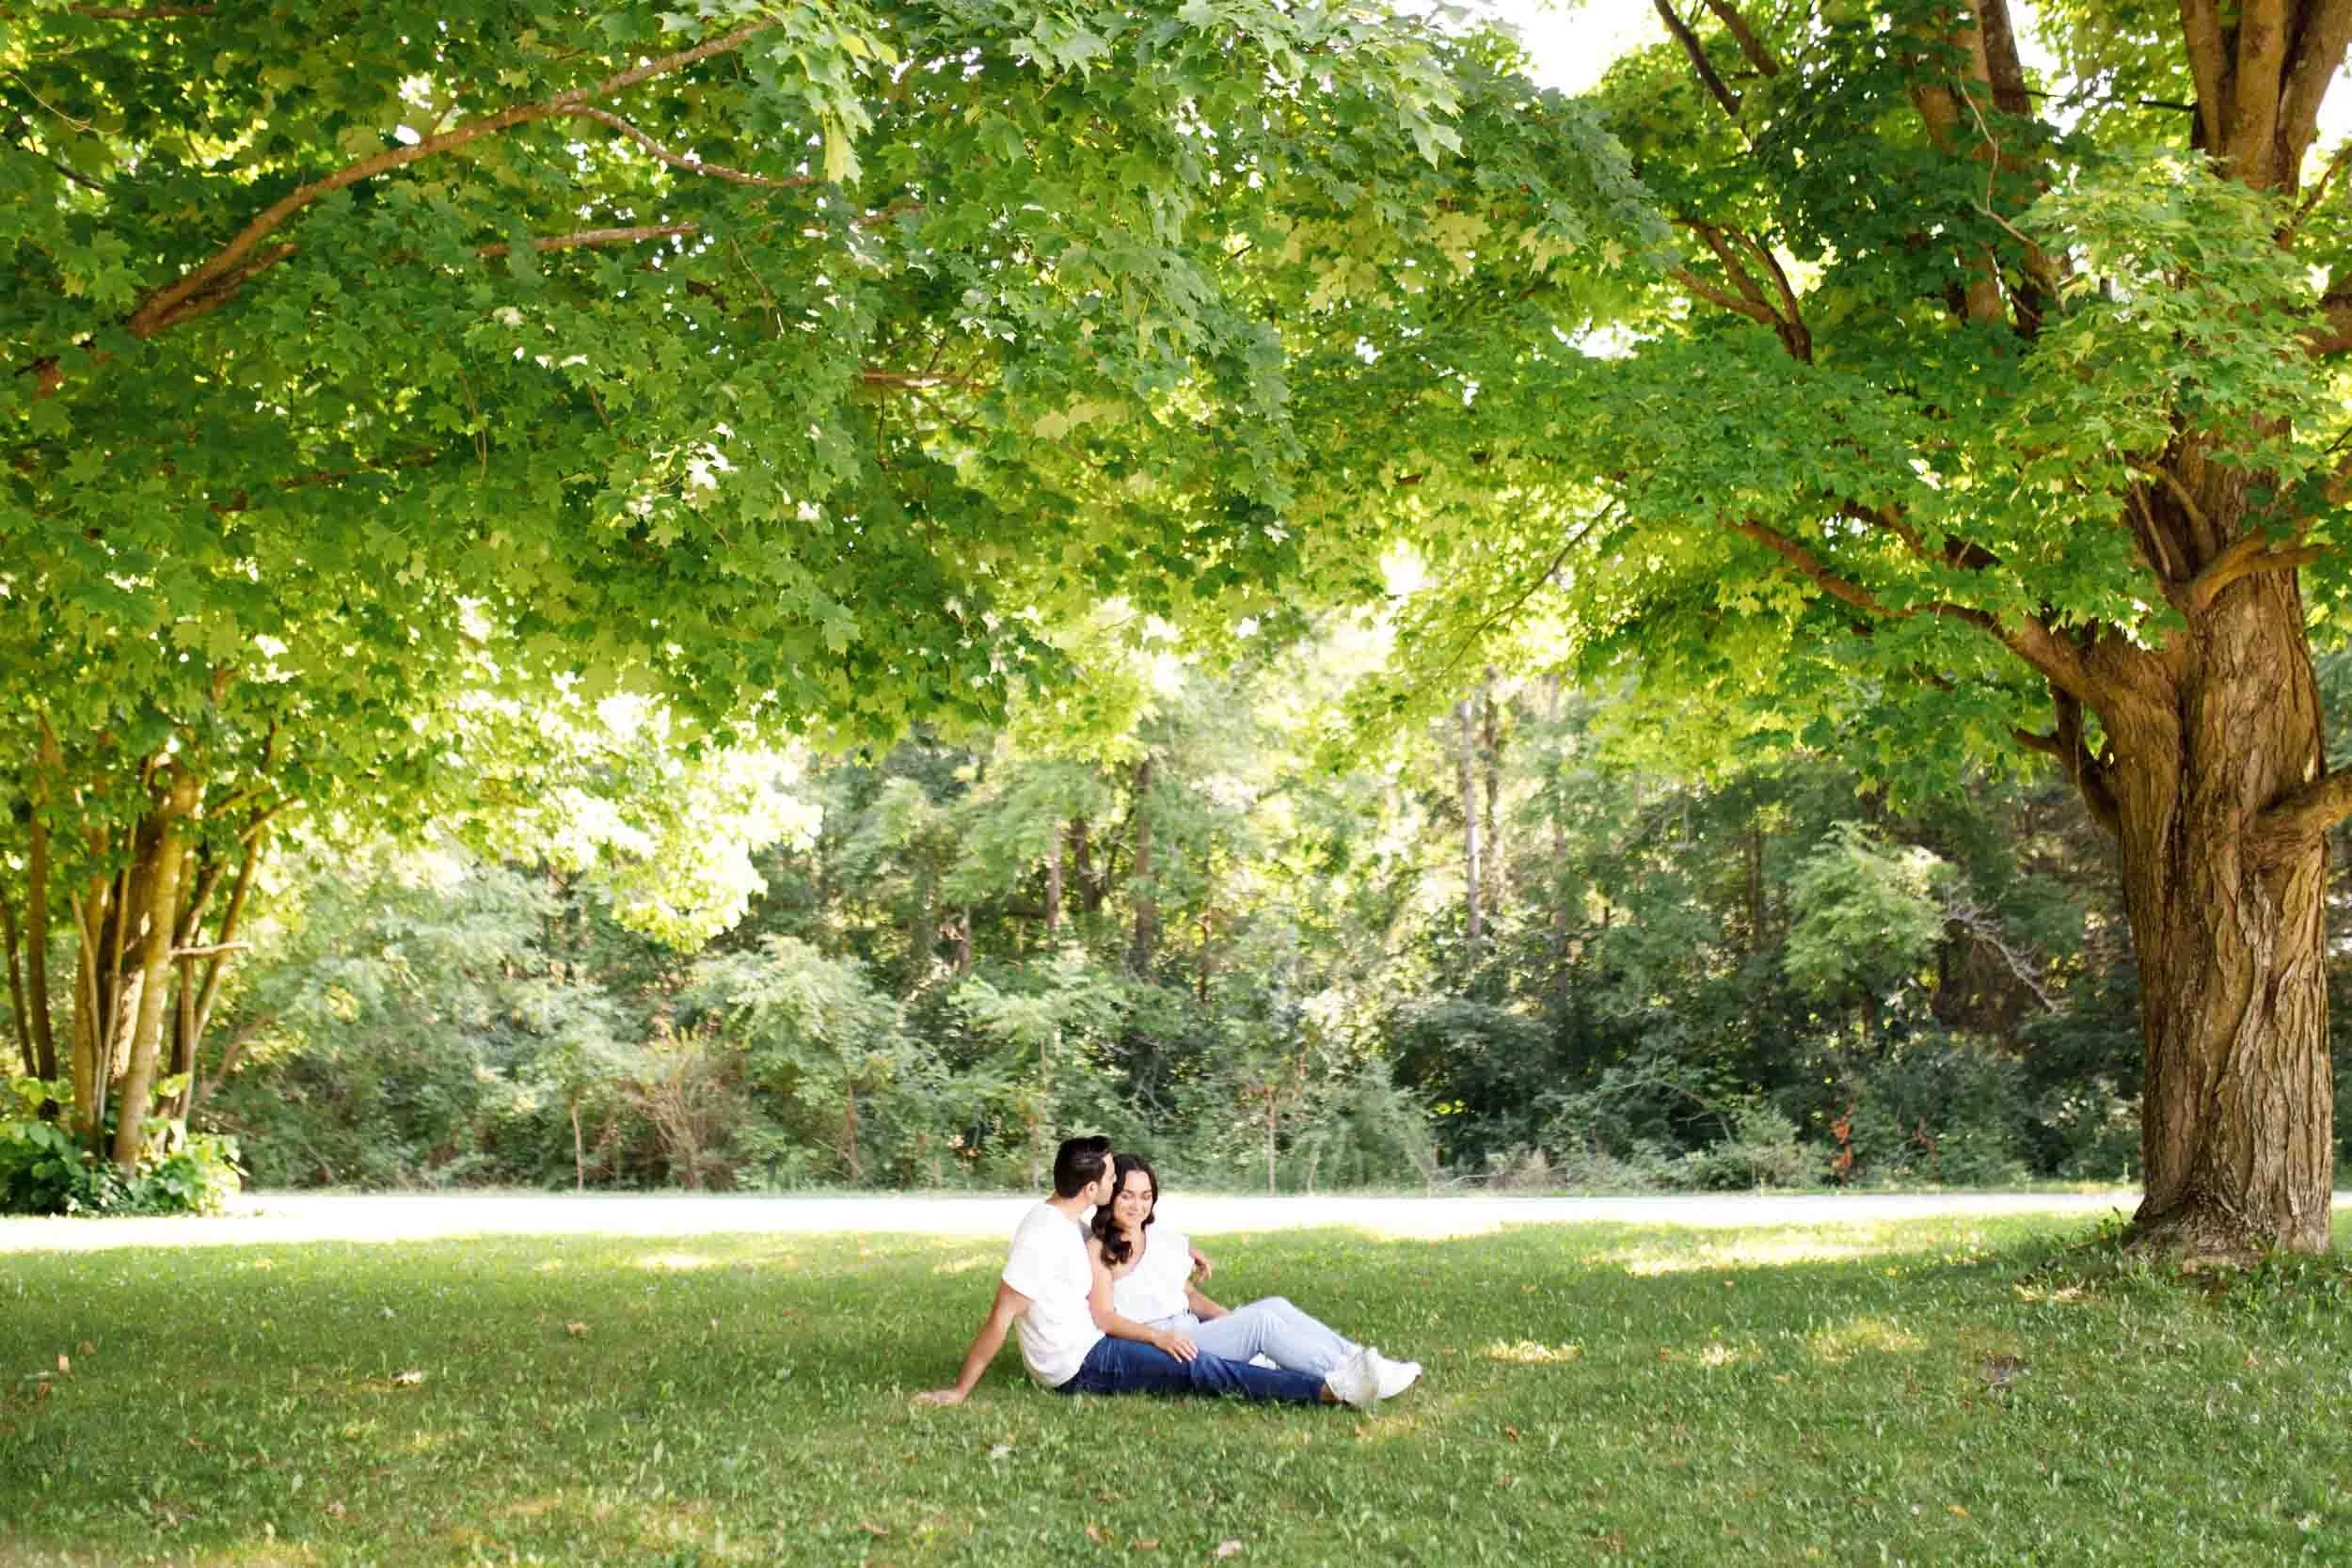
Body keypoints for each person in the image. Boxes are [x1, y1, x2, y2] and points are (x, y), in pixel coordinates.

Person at [915, 1135, 1381, 1409]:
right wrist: (959, 1391)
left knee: (1207, 1355)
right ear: (1092, 1187)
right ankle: (1325, 1390)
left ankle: (1345, 1368)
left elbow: (1116, 1236)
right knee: (1198, 1369)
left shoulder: (1066, 1219)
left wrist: (1180, 1251)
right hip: (1078, 1366)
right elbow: (1000, 1316)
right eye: (1115, 1180)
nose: (1121, 1185)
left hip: (1097, 1346)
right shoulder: (1040, 1237)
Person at [1089, 1152, 1421, 1400]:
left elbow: (1186, 1295)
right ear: (1110, 1196)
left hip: (1190, 1331)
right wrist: (1156, 1338)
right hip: (1164, 1346)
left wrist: (1227, 1318)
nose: (1137, 1206)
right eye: (1127, 1196)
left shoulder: (1155, 1234)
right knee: (1260, 1324)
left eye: (1145, 1196)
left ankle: (1358, 1357)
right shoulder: (1099, 1247)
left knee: (1273, 1306)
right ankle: (1347, 1376)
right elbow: (1104, 1316)